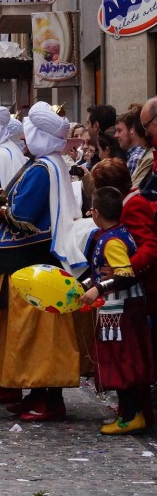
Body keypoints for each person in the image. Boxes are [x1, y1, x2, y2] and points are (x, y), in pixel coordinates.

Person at [0, 102, 88, 422]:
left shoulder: (40, 168)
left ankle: (49, 397)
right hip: (47, 257)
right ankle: (37, 392)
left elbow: (22, 216)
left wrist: (0, 211)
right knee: (39, 330)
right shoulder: (53, 162)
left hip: (36, 258)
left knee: (41, 332)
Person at [86, 161, 156, 433]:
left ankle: (131, 414)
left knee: (124, 360)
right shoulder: (113, 231)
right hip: (126, 298)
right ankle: (136, 412)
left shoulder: (120, 227)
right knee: (130, 359)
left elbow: (143, 252)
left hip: (122, 303)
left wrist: (102, 285)